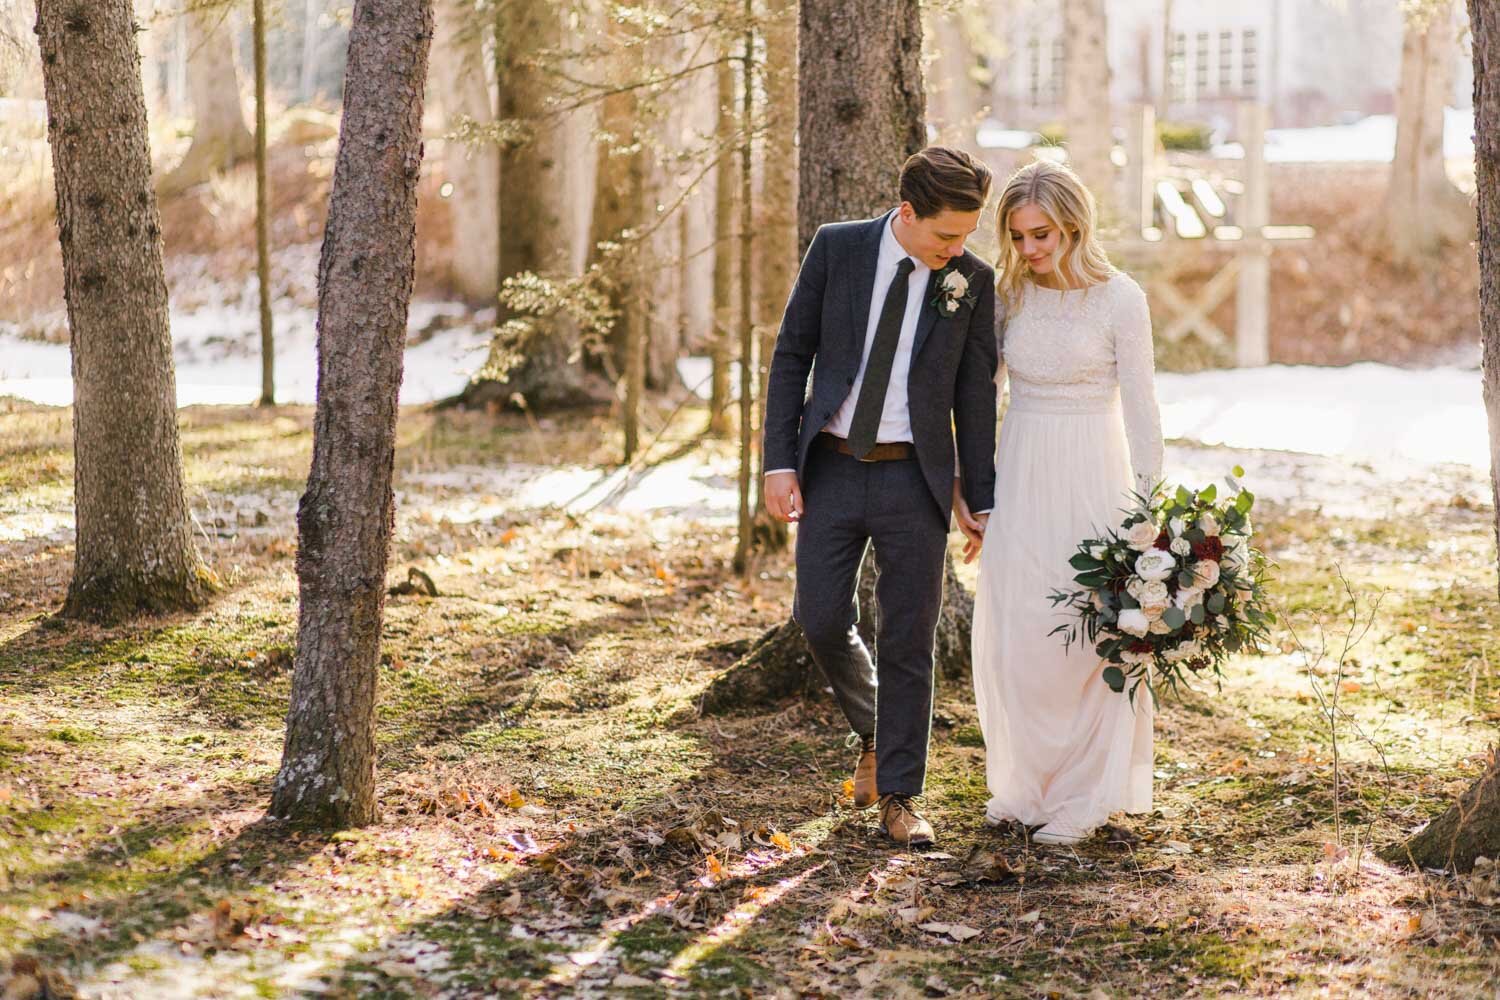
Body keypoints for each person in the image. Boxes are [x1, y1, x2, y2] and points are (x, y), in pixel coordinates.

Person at [761, 146, 999, 847]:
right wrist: (779, 462)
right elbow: (791, 354)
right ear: (906, 213)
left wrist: (977, 498)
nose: (957, 248)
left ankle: (900, 794)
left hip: (913, 477)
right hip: (830, 466)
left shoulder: (969, 282)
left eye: (966, 235)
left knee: (910, 636)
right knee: (821, 617)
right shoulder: (837, 250)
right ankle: (874, 725)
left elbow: (975, 400)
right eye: (945, 235)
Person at [967, 158, 1164, 846]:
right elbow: (982, 394)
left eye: (1042, 235)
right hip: (1022, 468)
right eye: (1018, 237)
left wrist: (1149, 511)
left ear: (1074, 226)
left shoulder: (1120, 298)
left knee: (1092, 630)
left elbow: (1142, 409)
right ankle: (1028, 782)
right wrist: (976, 488)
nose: (1030, 250)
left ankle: (1088, 790)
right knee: (1022, 629)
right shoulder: (1007, 296)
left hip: (1094, 471)